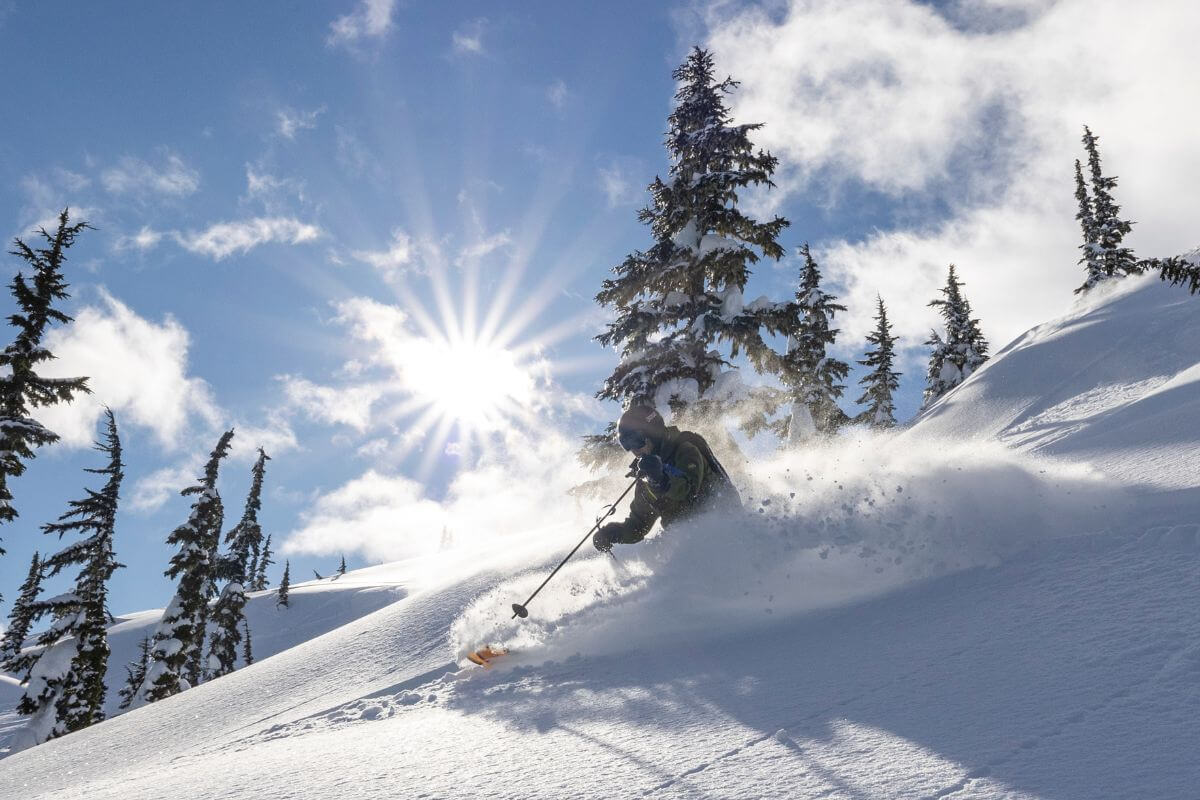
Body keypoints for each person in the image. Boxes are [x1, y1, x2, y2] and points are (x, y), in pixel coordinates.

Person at [593, 405, 741, 552]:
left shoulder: (685, 450)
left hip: (722, 531)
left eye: (636, 441)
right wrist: (613, 534)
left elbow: (688, 490)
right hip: (688, 547)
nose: (634, 450)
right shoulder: (646, 479)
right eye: (626, 444)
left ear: (653, 433)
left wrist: (661, 480)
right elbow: (638, 525)